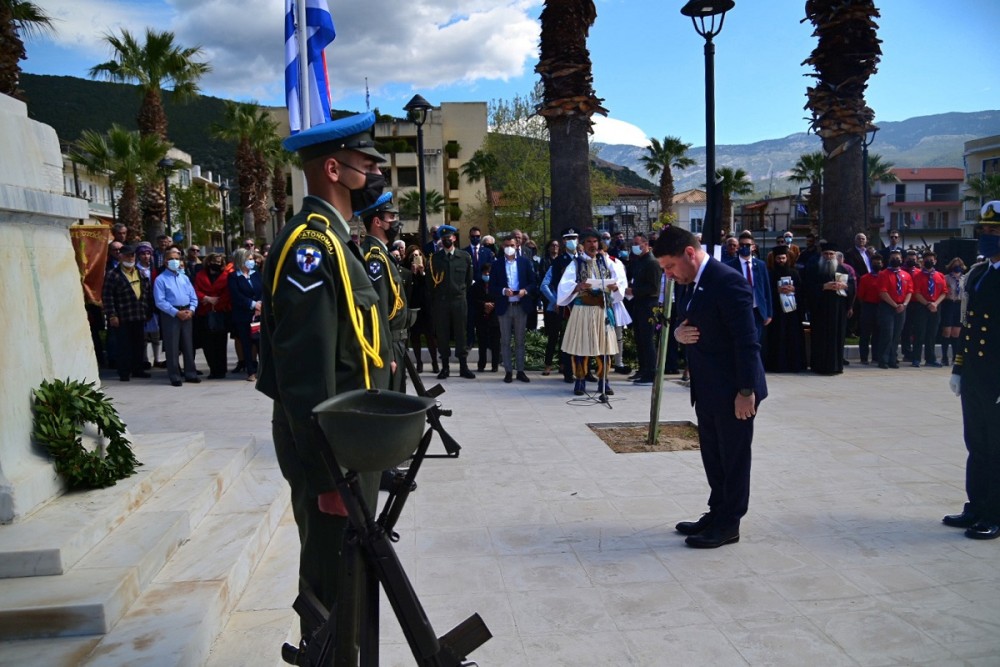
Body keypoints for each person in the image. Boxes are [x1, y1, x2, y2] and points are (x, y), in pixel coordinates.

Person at [256, 111, 392, 660]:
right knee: (330, 575)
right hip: (332, 449)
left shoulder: (340, 241)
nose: (375, 175)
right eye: (366, 164)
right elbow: (304, 372)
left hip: (354, 442)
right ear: (333, 169)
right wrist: (325, 474)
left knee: (352, 571)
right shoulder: (309, 246)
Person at [654, 225, 767, 549]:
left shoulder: (727, 281)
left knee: (733, 457)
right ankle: (717, 511)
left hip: (735, 390)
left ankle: (730, 523)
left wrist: (746, 392)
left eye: (670, 267)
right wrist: (677, 333)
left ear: (689, 254)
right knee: (713, 456)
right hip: (707, 386)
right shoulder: (692, 281)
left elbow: (747, 342)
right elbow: (687, 321)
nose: (669, 275)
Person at [944, 201, 1000, 540]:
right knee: (976, 442)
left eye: (994, 231)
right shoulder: (979, 272)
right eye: (984, 230)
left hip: (997, 375)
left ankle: (994, 513)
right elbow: (969, 325)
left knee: (997, 447)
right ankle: (976, 505)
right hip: (977, 373)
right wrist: (959, 367)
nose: (986, 236)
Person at [556, 228, 622, 399]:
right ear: (582, 245)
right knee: (581, 346)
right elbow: (564, 286)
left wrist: (615, 287)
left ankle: (604, 381)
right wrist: (577, 286)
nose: (592, 245)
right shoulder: (576, 264)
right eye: (588, 242)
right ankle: (580, 380)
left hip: (601, 309)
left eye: (595, 241)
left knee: (604, 347)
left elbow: (619, 280)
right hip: (583, 310)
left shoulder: (606, 262)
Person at [360, 195, 409, 391]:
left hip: (395, 340)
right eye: (390, 217)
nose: (395, 222)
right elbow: (377, 309)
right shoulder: (374, 258)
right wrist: (385, 353)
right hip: (389, 343)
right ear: (377, 221)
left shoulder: (382, 254)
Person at [427, 224, 475, 379]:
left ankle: (463, 367)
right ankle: (445, 367)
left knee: (461, 333)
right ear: (441, 239)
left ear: (454, 238)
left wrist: (459, 292)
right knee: (442, 334)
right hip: (441, 302)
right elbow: (430, 282)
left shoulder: (464, 257)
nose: (447, 239)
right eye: (444, 237)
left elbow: (468, 281)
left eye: (449, 237)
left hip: (459, 300)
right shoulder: (435, 259)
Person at [102, 245, 154, 381]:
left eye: (132, 256)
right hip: (122, 316)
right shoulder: (112, 274)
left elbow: (148, 293)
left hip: (139, 314)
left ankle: (138, 369)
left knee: (139, 344)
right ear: (120, 256)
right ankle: (124, 372)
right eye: (126, 255)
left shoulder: (141, 273)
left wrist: (149, 311)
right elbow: (107, 296)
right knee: (124, 345)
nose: (130, 258)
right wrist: (112, 315)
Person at [490, 234, 537, 383]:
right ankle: (508, 371)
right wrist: (503, 291)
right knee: (505, 340)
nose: (509, 248)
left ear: (517, 245)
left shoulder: (524, 262)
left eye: (512, 245)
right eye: (506, 245)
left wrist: (525, 290)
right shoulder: (497, 264)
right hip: (505, 306)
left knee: (520, 340)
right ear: (502, 247)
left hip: (520, 305)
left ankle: (521, 370)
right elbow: (492, 287)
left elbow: (533, 282)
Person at [153, 247, 200, 386]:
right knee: (172, 346)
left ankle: (190, 373)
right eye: (171, 259)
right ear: (166, 262)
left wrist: (191, 310)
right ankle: (175, 375)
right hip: (171, 315)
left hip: (186, 313)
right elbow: (160, 301)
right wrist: (176, 312)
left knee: (188, 345)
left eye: (177, 259)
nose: (175, 261)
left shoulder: (184, 277)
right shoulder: (160, 280)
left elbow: (193, 296)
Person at [803, 242, 852, 375]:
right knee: (820, 338)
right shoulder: (814, 269)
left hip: (838, 311)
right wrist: (823, 287)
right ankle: (818, 366)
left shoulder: (843, 270)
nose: (829, 256)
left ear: (835, 255)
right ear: (822, 255)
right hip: (820, 310)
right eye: (826, 254)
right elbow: (807, 288)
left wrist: (845, 287)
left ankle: (836, 366)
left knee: (837, 337)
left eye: (831, 254)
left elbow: (852, 287)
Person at [724, 231, 772, 350]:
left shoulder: (760, 265)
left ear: (753, 247)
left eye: (748, 245)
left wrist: (769, 313)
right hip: (739, 310)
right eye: (742, 245)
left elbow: (766, 289)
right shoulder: (730, 266)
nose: (745, 247)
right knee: (739, 342)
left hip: (757, 310)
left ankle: (754, 368)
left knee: (756, 343)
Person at [626, 232, 662, 385]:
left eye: (637, 244)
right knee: (639, 339)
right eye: (633, 244)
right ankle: (643, 369)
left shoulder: (652, 262)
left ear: (646, 244)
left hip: (649, 305)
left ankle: (651, 372)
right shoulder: (639, 261)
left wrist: (634, 291)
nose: (635, 247)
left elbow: (653, 287)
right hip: (638, 304)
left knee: (647, 340)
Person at [764, 246, 806, 373]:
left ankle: (794, 364)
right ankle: (777, 365)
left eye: (783, 258)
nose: (781, 260)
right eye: (778, 258)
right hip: (777, 312)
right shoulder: (770, 273)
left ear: (787, 258)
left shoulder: (794, 273)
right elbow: (766, 291)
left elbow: (802, 291)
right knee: (777, 337)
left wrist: (794, 289)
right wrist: (776, 291)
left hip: (792, 313)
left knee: (792, 336)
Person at [194, 252, 231, 379]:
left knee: (221, 343)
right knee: (208, 344)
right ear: (209, 262)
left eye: (220, 261)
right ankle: (213, 369)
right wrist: (206, 298)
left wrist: (217, 302)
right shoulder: (200, 275)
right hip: (204, 311)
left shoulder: (226, 275)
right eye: (214, 261)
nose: (217, 263)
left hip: (220, 312)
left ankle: (221, 370)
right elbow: (196, 290)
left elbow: (227, 292)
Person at [228, 248, 263, 382]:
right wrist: (253, 304)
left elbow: (262, 290)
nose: (252, 262)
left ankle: (263, 370)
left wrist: (260, 303)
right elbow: (236, 295)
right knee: (247, 343)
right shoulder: (233, 277)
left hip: (259, 314)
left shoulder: (256, 274)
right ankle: (251, 371)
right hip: (243, 314)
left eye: (252, 259)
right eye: (249, 259)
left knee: (260, 343)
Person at [875, 249, 913, 369]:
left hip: (902, 308)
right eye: (893, 258)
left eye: (898, 258)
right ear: (889, 260)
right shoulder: (883, 274)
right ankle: (883, 360)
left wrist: (904, 304)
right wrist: (895, 305)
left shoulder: (906, 275)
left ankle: (893, 359)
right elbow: (883, 292)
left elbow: (909, 291)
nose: (895, 260)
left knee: (897, 335)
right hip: (888, 307)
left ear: (902, 260)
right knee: (887, 334)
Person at [910, 249, 948, 367]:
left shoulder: (940, 275)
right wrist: (927, 304)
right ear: (922, 262)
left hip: (936, 307)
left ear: (935, 261)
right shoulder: (917, 275)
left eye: (931, 260)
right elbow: (916, 293)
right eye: (926, 260)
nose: (929, 262)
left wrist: (935, 303)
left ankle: (930, 358)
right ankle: (916, 358)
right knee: (920, 333)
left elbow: (944, 292)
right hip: (922, 306)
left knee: (932, 334)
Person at [403, 245, 438, 374]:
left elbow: (429, 285)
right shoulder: (406, 269)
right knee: (415, 336)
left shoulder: (428, 267)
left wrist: (422, 273)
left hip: (426, 306)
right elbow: (406, 286)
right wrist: (412, 273)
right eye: (413, 256)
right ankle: (419, 362)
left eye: (417, 255)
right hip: (413, 304)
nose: (415, 258)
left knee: (430, 336)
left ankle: (434, 361)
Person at [470, 260, 500, 372]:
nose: (487, 275)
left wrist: (492, 305)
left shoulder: (497, 285)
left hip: (495, 317)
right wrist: (484, 305)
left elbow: (501, 298)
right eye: (485, 273)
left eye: (489, 273)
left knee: (495, 343)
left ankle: (495, 365)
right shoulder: (476, 286)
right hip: (481, 317)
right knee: (482, 343)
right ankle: (481, 364)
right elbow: (472, 300)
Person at [856, 253, 885, 365]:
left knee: (878, 334)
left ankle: (876, 357)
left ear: (882, 264)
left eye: (878, 263)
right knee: (865, 334)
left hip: (881, 307)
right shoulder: (865, 278)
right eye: (874, 263)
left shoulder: (884, 276)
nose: (876, 265)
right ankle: (863, 357)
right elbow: (860, 295)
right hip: (868, 307)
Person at [940, 257, 966, 365]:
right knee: (947, 331)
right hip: (949, 303)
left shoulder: (965, 278)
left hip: (959, 304)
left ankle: (955, 356)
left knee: (956, 332)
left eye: (959, 265)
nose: (957, 267)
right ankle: (944, 356)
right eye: (955, 265)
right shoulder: (946, 278)